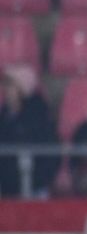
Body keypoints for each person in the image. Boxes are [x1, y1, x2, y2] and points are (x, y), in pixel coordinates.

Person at [0, 65, 60, 197]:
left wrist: (39, 179)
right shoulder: (4, 116)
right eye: (6, 85)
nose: (5, 90)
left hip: (35, 186)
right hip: (6, 187)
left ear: (22, 89)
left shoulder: (39, 117)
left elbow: (50, 154)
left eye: (11, 85)